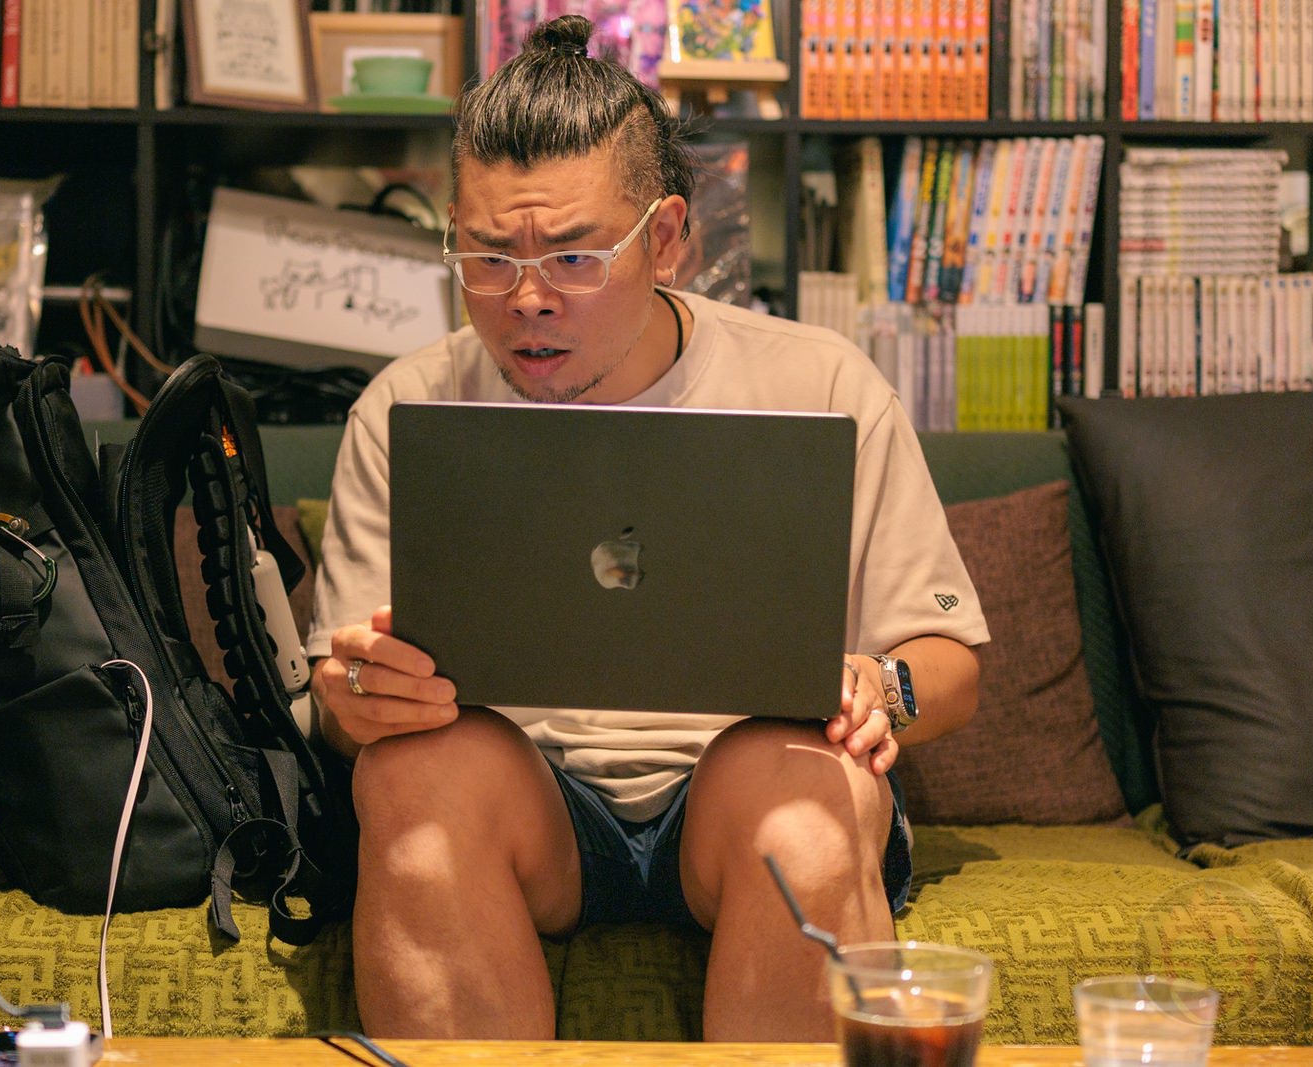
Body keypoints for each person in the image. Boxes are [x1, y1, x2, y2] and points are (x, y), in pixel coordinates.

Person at [305, 14, 989, 1041]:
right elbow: (339, 701)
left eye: (575, 256)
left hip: (744, 799)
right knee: (407, 771)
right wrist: (355, 695)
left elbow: (951, 667)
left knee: (816, 788)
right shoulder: (407, 405)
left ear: (666, 238)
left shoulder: (821, 385)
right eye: (487, 256)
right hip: (527, 809)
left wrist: (879, 687)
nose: (527, 299)